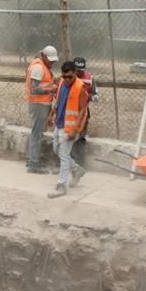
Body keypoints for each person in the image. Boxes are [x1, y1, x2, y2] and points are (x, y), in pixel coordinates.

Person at [47, 61, 88, 198]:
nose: (67, 79)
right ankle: (76, 170)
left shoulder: (80, 88)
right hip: (59, 124)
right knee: (56, 150)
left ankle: (62, 185)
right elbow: (58, 101)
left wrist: (75, 130)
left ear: (75, 73)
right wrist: (52, 114)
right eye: (65, 77)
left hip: (70, 127)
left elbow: (83, 111)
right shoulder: (61, 84)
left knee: (63, 155)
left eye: (70, 76)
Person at [24, 45, 59, 174]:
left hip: (40, 104)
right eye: (50, 59)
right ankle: (34, 164)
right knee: (37, 133)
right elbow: (35, 89)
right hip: (38, 104)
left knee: (36, 132)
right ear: (43, 56)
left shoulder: (42, 66)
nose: (52, 62)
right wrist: (52, 89)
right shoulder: (38, 67)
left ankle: (31, 159)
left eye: (53, 60)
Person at [71, 57, 100, 168]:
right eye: (77, 70)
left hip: (82, 113)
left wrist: (88, 97)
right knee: (67, 137)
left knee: (80, 139)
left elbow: (96, 96)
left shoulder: (89, 78)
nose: (79, 72)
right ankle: (68, 163)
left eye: (81, 70)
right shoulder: (67, 77)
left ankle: (80, 164)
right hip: (68, 113)